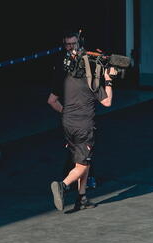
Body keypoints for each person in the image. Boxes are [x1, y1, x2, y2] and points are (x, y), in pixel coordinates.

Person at [48, 37, 115, 213]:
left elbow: (52, 101)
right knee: (82, 165)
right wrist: (108, 80)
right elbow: (107, 102)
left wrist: (67, 114)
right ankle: (63, 185)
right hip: (84, 125)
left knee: (84, 159)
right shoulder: (91, 81)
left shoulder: (65, 79)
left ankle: (82, 197)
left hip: (68, 124)